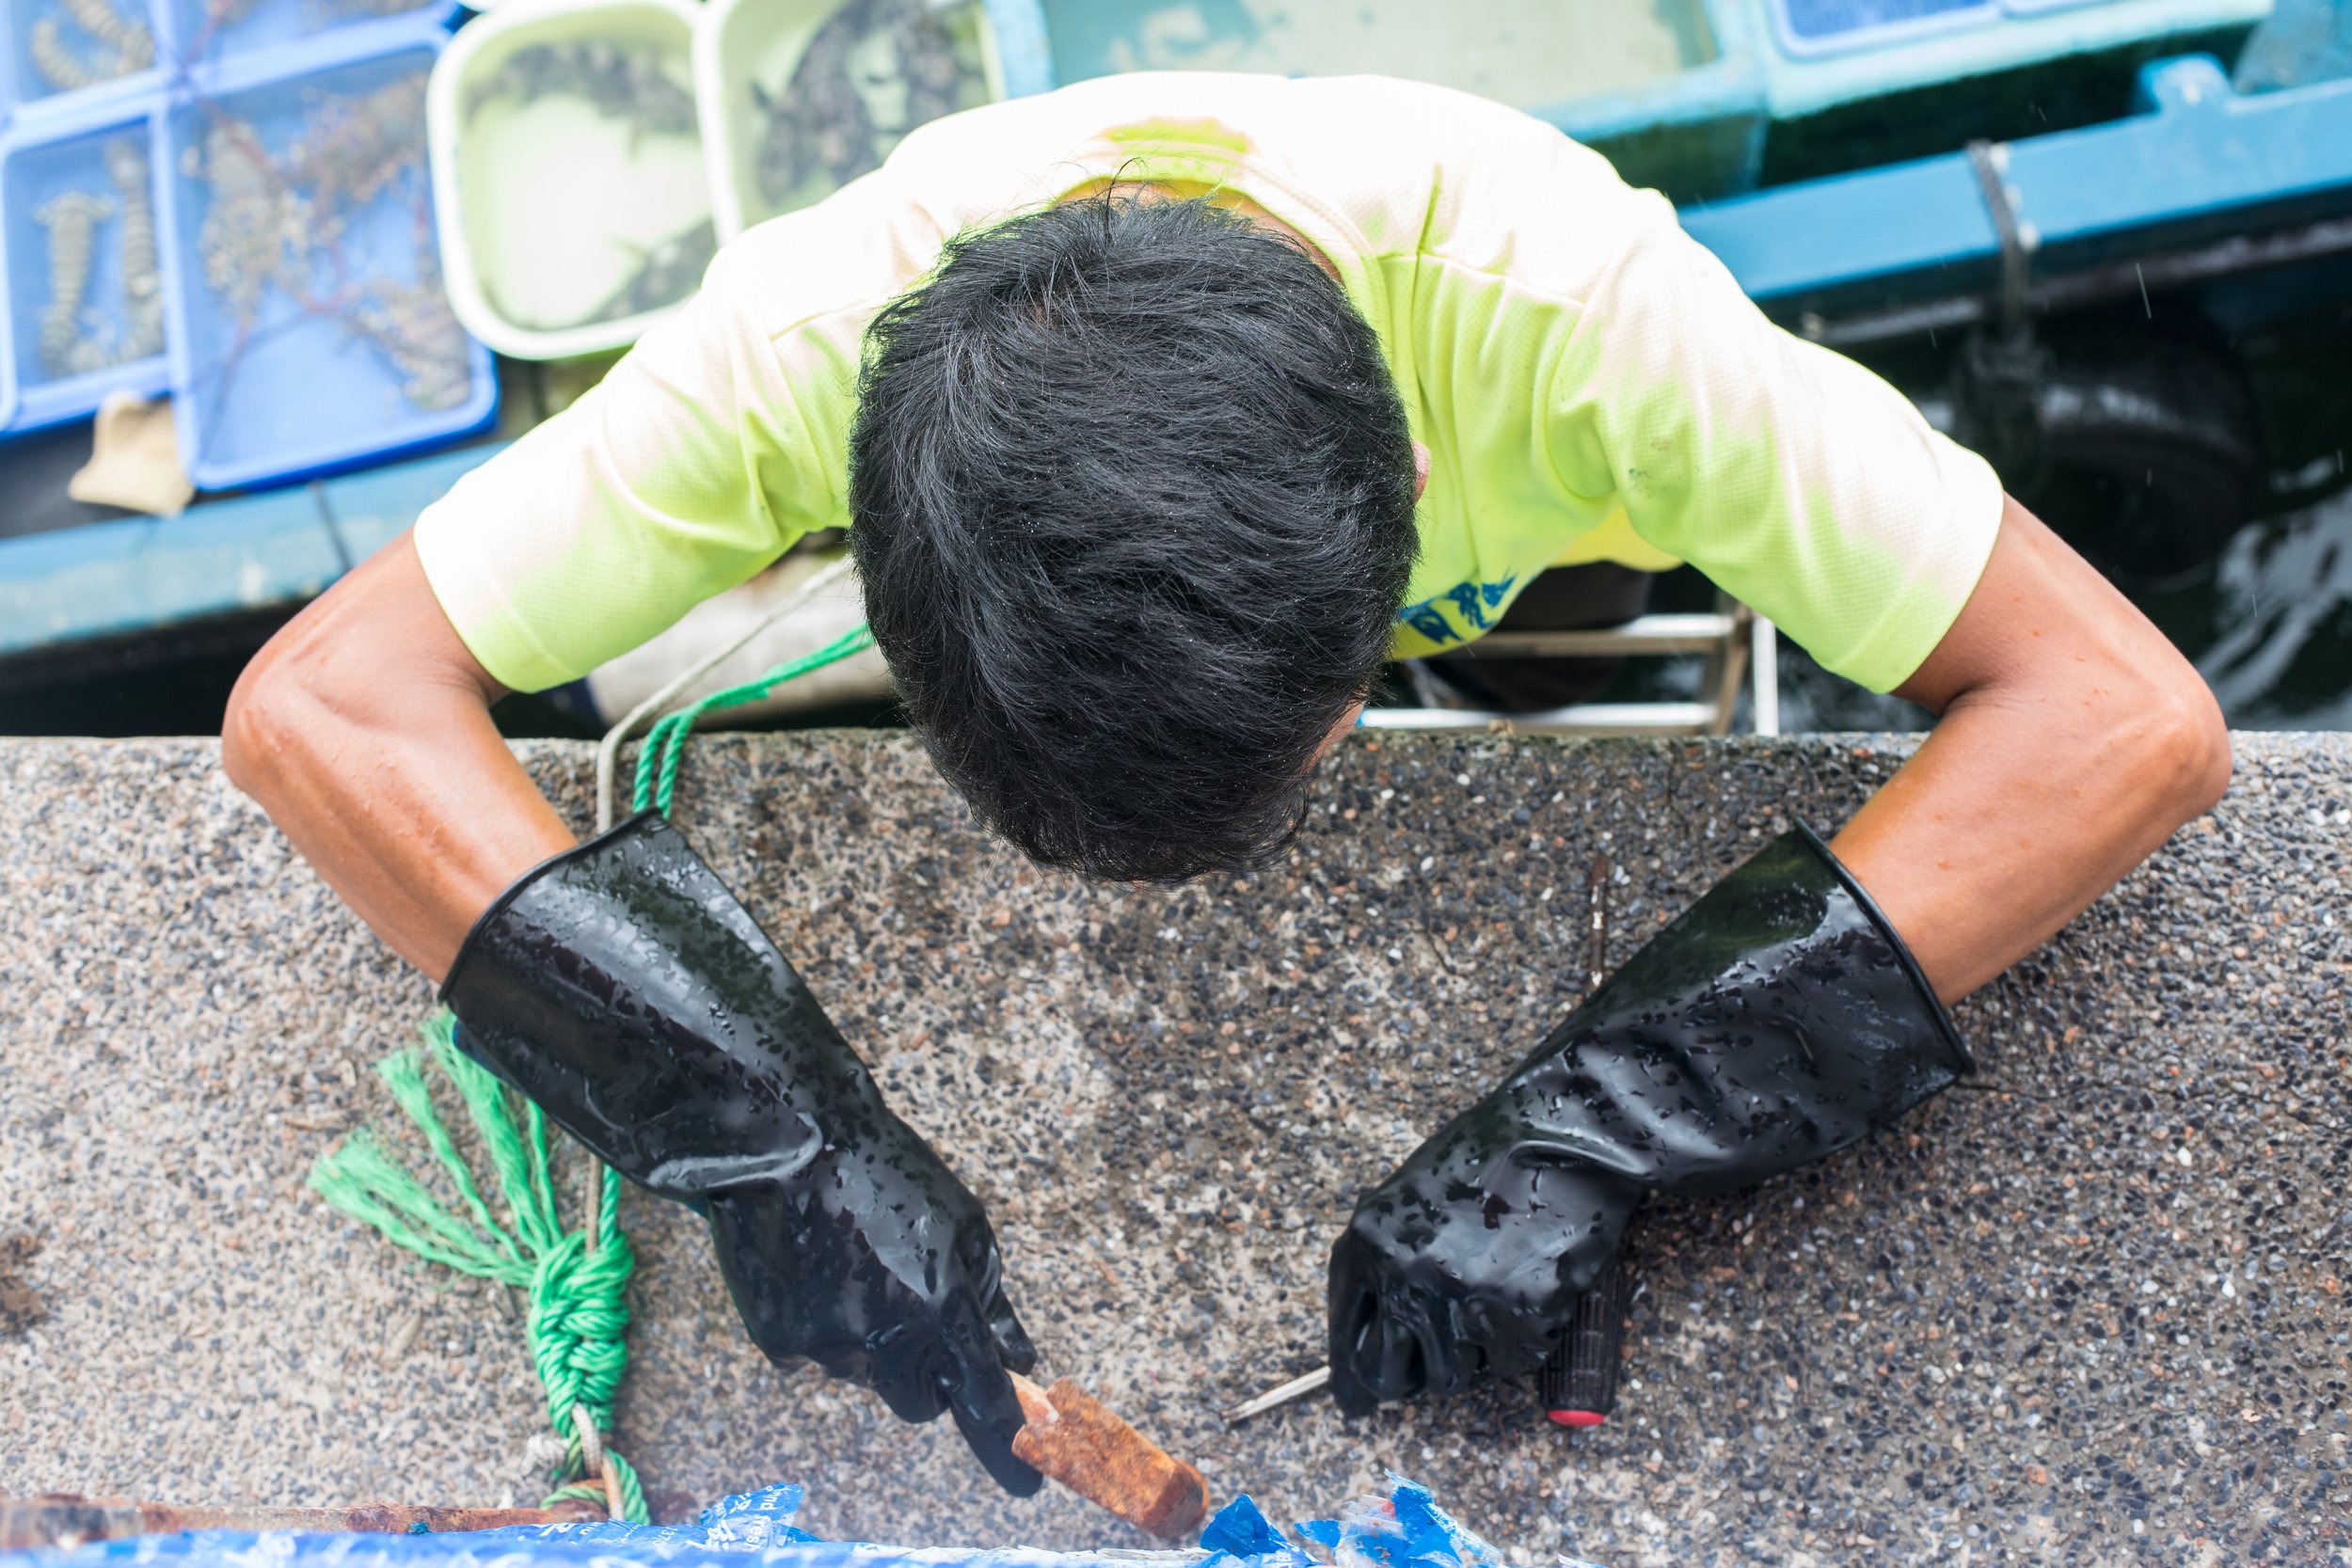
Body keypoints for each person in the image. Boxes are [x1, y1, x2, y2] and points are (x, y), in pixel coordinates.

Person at [222, 71, 2231, 1496]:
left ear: (1410, 518)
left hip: (1546, 486)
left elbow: (2124, 721)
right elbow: (318, 706)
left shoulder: (1590, 329)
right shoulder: (785, 347)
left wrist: (1604, 1120)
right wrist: (756, 1121)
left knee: (1619, 594)